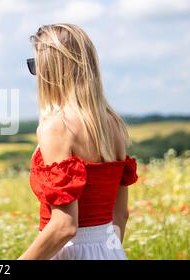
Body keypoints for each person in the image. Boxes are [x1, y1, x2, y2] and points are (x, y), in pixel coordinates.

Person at [18, 24, 138, 260]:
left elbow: (64, 226)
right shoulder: (113, 124)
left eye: (36, 66)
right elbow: (120, 214)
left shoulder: (58, 126)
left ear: (51, 70)